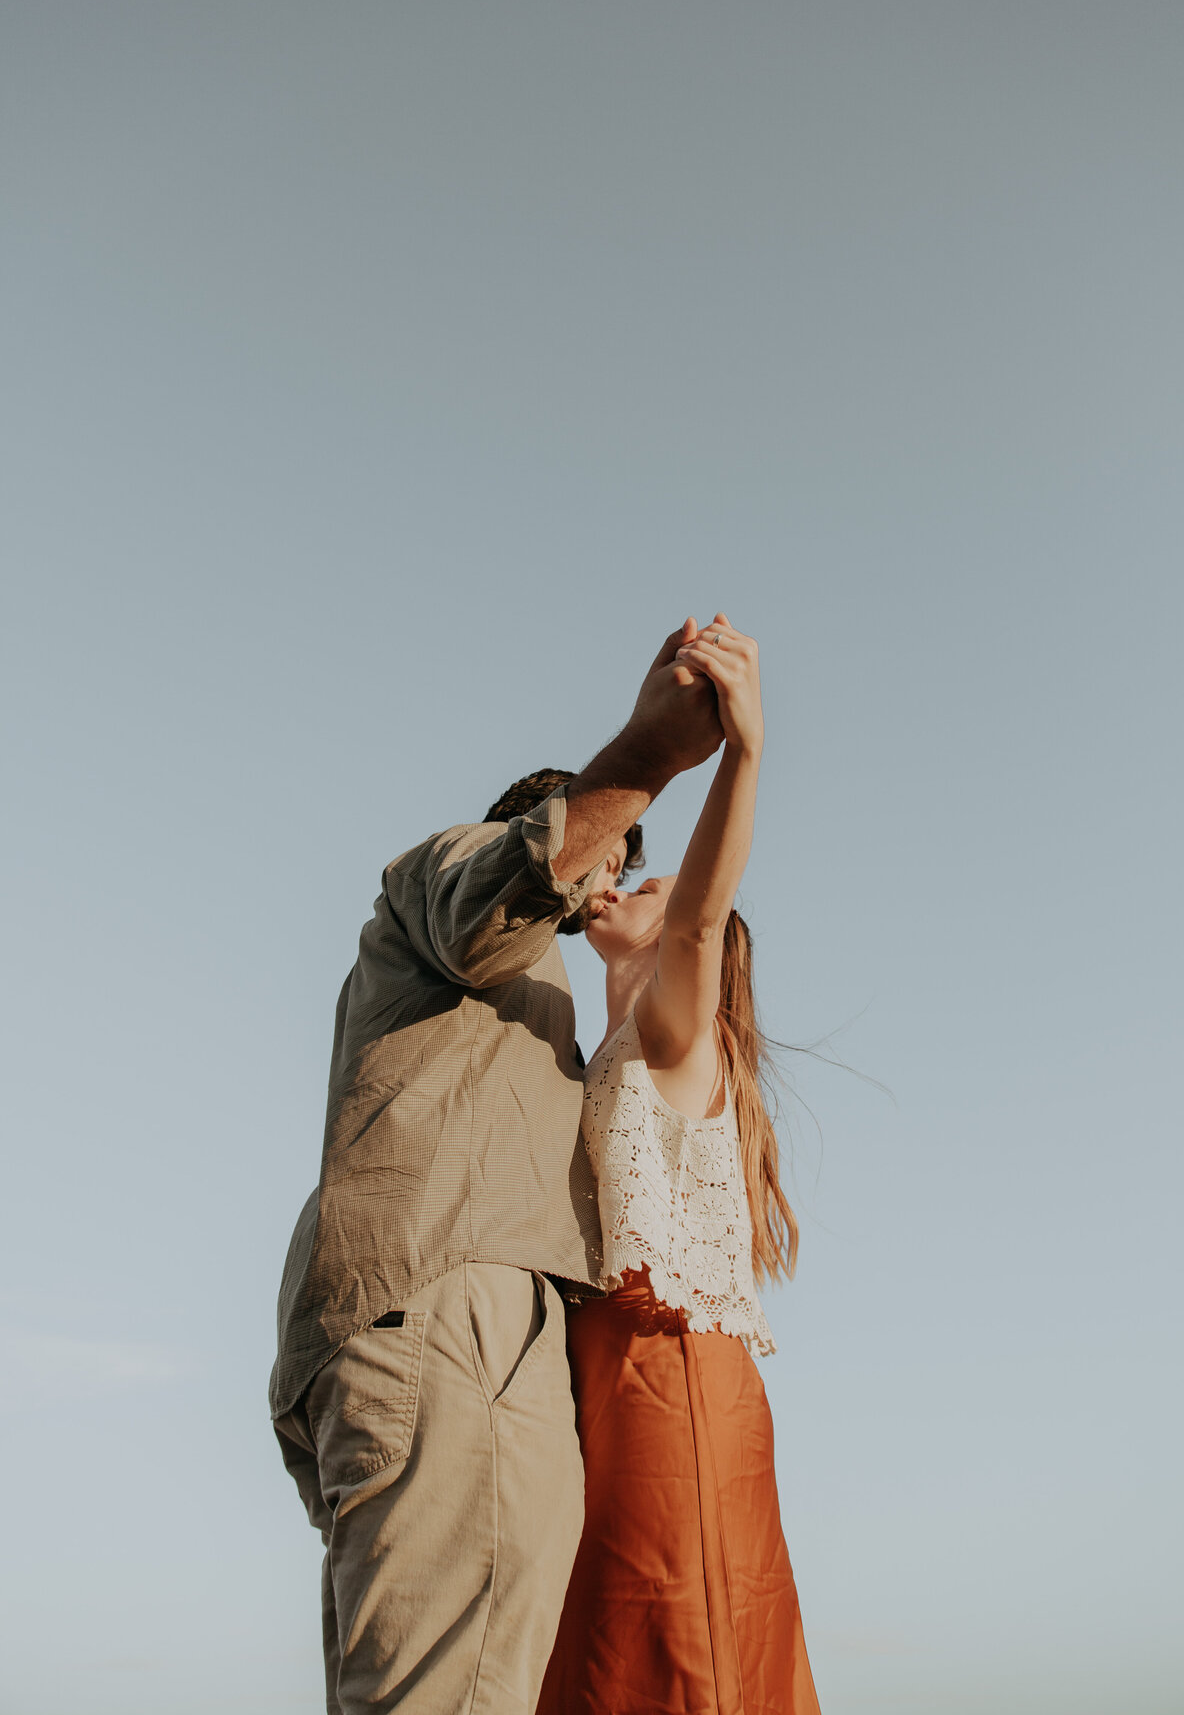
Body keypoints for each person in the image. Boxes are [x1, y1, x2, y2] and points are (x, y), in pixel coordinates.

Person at [268, 618, 724, 1715]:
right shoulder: (449, 878)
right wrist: (650, 756)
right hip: (452, 1315)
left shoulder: (546, 1020)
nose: (602, 886)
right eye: (602, 858)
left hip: (446, 1332)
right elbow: (503, 898)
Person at [537, 614, 823, 1715]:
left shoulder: (673, 1028)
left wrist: (742, 750)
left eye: (646, 888)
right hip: (611, 1378)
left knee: (675, 1648)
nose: (621, 889)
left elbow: (697, 924)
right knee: (603, 1656)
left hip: (673, 1375)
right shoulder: (598, 1045)